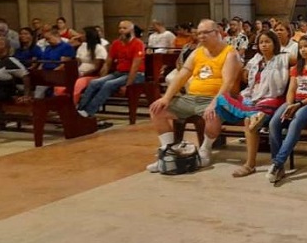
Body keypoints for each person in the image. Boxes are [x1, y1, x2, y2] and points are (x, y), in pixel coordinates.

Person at [147, 19, 240, 171]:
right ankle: (168, 152)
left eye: (205, 33)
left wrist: (214, 103)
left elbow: (228, 83)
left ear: (217, 33)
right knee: (157, 110)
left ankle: (205, 149)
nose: (201, 36)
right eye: (199, 33)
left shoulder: (230, 53)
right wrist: (166, 98)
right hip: (191, 97)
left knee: (213, 114)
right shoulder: (197, 52)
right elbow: (182, 75)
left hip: (215, 98)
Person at [218, 30, 289, 178]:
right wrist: (243, 70)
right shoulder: (256, 60)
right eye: (261, 42)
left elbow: (305, 58)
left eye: (267, 42)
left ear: (275, 44)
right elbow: (245, 72)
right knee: (220, 100)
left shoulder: (283, 58)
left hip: (272, 99)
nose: (264, 45)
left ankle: (250, 164)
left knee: (249, 121)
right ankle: (252, 114)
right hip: (253, 97)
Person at [268, 35, 307, 183]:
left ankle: (277, 163)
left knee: (295, 124)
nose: (303, 50)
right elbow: (291, 90)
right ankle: (278, 165)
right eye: (301, 47)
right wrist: (290, 105)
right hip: (294, 101)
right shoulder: (296, 68)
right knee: (274, 123)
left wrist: (299, 105)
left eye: (306, 46)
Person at [77, 21, 145, 118]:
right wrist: (101, 77)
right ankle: (79, 110)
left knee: (109, 84)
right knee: (94, 83)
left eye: (124, 28)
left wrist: (127, 85)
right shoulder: (116, 43)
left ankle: (88, 112)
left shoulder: (138, 43)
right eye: (120, 28)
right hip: (119, 72)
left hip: (136, 74)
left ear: (131, 30)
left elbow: (135, 67)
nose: (121, 30)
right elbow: (108, 63)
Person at [69, 27, 108, 105]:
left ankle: (72, 106)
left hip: (92, 75)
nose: (80, 36)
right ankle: (63, 106)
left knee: (77, 83)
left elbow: (97, 68)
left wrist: (83, 74)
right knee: (62, 84)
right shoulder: (82, 46)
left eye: (83, 34)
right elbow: (78, 62)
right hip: (79, 73)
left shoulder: (99, 48)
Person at [0, 37, 30, 103]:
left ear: (5, 47)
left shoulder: (10, 61)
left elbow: (25, 77)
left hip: (4, 91)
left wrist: (26, 95)